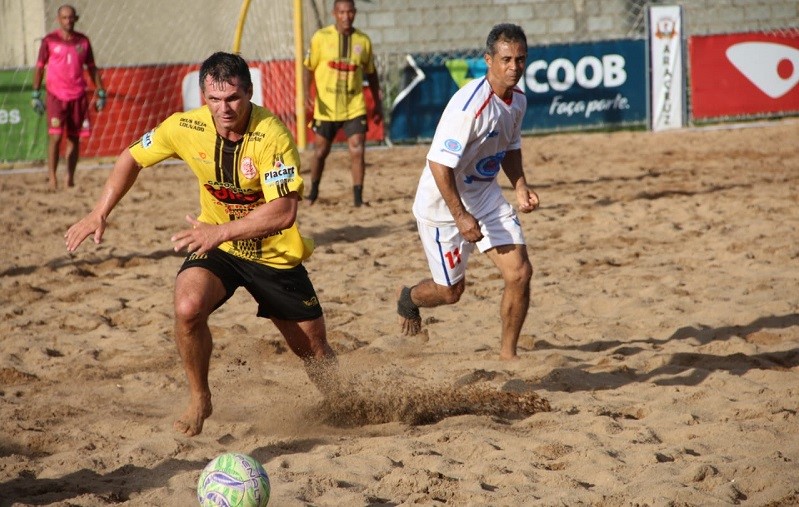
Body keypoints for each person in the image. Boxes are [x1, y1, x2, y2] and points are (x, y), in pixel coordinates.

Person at [65, 52, 338, 437]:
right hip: (219, 247)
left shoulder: (272, 135)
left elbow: (283, 212)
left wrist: (219, 232)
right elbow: (130, 157)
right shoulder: (185, 126)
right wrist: (99, 212)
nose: (223, 108)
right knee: (187, 308)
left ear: (249, 93)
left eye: (232, 99)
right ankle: (199, 397)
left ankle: (345, 403)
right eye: (214, 99)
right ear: (202, 96)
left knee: (314, 351)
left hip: (272, 253)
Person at [396, 24, 539, 361]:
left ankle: (508, 356)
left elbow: (512, 145)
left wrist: (520, 184)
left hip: (484, 195)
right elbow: (438, 164)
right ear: (489, 60)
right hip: (443, 206)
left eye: (520, 60)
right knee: (450, 292)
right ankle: (409, 298)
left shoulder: (518, 99)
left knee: (520, 272)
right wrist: (460, 216)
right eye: (506, 59)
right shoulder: (469, 106)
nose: (514, 67)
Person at [303, 0, 383, 207]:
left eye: (350, 12)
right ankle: (313, 192)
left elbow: (371, 73)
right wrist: (305, 93)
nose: (346, 16)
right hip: (326, 107)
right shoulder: (321, 38)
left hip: (354, 106)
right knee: (320, 152)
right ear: (334, 14)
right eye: (342, 12)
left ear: (355, 13)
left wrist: (377, 102)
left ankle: (358, 198)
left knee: (357, 149)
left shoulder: (363, 41)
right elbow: (308, 67)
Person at [32, 4, 106, 190]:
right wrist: (35, 93)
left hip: (78, 96)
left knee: (74, 138)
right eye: (64, 18)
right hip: (56, 96)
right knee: (56, 138)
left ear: (76, 19)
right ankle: (52, 178)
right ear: (58, 20)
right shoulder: (49, 41)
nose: (68, 21)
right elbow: (40, 67)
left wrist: (101, 90)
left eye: (71, 17)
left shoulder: (83, 42)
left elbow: (92, 67)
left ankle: (69, 178)